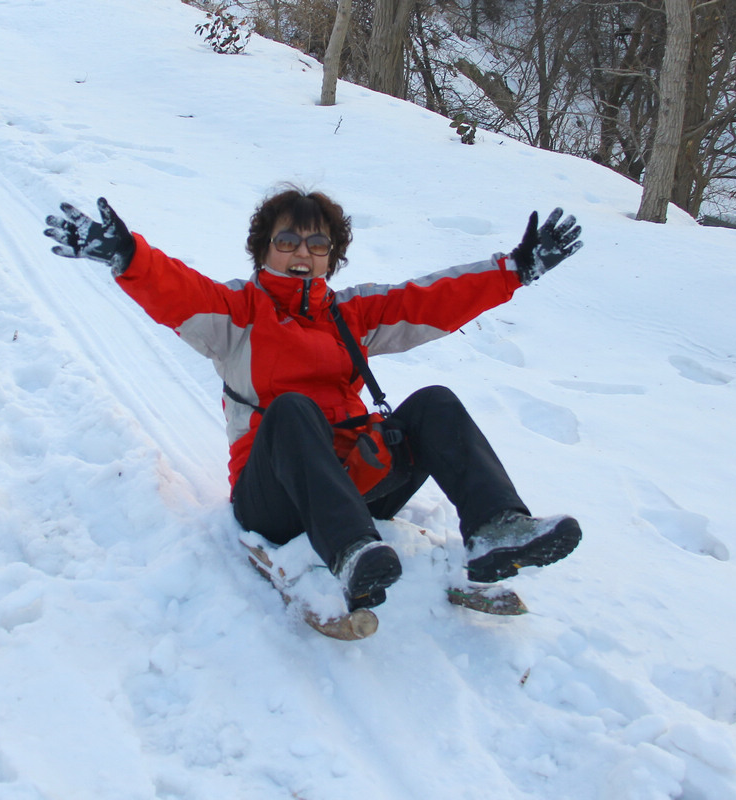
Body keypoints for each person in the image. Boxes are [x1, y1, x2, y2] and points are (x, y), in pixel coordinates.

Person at [44, 187, 584, 612]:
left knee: (435, 404)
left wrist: (515, 268)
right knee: (293, 410)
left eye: (318, 245)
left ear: (332, 258)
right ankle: (349, 551)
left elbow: (428, 300)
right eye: (287, 241)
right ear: (263, 251)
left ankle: (496, 530)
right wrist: (125, 253)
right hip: (274, 499)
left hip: (354, 479)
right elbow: (176, 289)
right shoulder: (236, 314)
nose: (303, 253)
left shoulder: (350, 314)